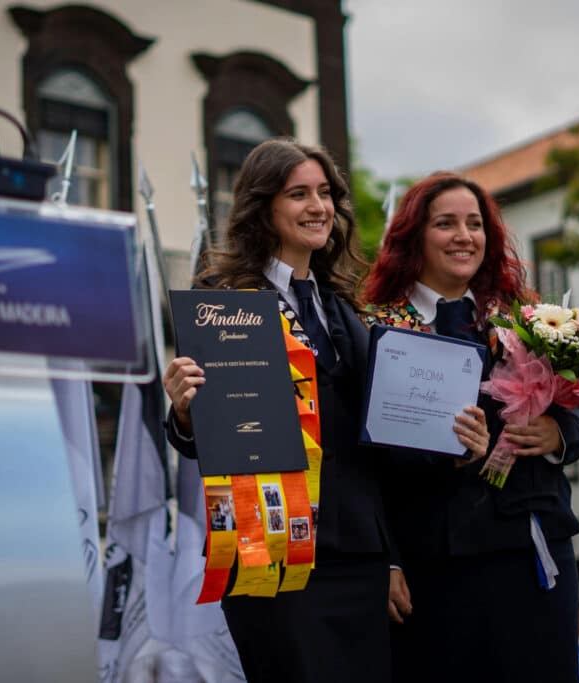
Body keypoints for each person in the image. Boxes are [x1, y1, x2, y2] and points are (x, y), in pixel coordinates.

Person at [161, 139, 392, 683]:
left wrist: (392, 556)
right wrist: (185, 411)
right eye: (298, 194)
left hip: (357, 555)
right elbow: (202, 432)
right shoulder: (223, 300)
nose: (319, 207)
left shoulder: (345, 305)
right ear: (263, 206)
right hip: (273, 554)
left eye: (325, 193)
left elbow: (375, 445)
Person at [362, 172, 579, 682]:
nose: (463, 236)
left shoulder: (527, 319)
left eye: (474, 224)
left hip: (531, 553)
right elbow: (364, 464)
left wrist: (560, 435)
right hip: (435, 563)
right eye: (445, 223)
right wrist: (387, 560)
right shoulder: (377, 328)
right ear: (414, 237)